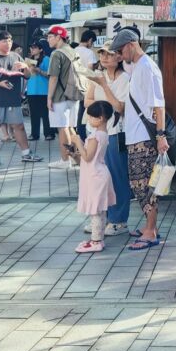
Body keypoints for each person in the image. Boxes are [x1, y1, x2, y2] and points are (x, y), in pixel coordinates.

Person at [110, 28, 168, 251]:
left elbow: (159, 104)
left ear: (131, 45)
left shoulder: (147, 68)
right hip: (136, 136)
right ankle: (148, 226)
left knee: (144, 184)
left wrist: (161, 136)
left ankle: (151, 231)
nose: (119, 54)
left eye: (120, 49)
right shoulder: (138, 66)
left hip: (145, 138)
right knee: (138, 184)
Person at [84, 41, 131, 236]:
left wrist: (103, 88)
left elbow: (120, 108)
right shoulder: (97, 76)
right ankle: (102, 218)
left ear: (119, 57)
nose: (104, 57)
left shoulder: (125, 78)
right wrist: (105, 102)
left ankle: (119, 220)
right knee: (99, 177)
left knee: (117, 176)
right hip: (95, 132)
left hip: (116, 132)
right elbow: (87, 101)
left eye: (109, 54)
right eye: (102, 53)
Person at [0, 31, 42, 166]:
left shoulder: (16, 56)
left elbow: (28, 76)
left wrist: (25, 67)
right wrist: (0, 83)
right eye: (5, 41)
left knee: (19, 126)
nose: (8, 43)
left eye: (10, 40)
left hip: (13, 99)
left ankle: (26, 153)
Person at [73, 100, 117, 253]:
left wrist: (78, 141)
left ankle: (96, 241)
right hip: (99, 173)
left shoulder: (94, 136)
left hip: (95, 176)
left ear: (100, 119)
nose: (89, 120)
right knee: (100, 210)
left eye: (91, 117)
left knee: (95, 211)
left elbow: (87, 157)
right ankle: (98, 239)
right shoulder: (104, 134)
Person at [46, 25, 83, 169]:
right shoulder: (73, 51)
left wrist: (49, 98)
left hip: (60, 96)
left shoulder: (57, 54)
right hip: (73, 95)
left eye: (50, 37)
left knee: (62, 128)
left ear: (58, 37)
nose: (48, 40)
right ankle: (75, 158)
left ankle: (65, 159)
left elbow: (53, 78)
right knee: (70, 127)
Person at [26, 40, 54, 141]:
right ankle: (34, 134)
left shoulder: (47, 59)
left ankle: (48, 133)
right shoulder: (29, 60)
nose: (32, 49)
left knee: (46, 114)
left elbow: (50, 75)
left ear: (40, 49)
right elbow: (26, 75)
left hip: (44, 90)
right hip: (32, 90)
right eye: (31, 48)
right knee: (34, 114)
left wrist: (39, 70)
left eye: (34, 48)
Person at [75, 30, 98, 140]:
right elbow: (89, 71)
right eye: (92, 42)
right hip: (85, 86)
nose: (92, 45)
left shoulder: (73, 51)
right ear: (89, 40)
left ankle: (78, 135)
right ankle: (83, 136)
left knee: (77, 112)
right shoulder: (89, 53)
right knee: (84, 111)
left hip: (74, 85)